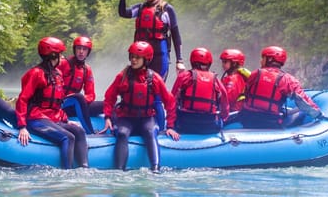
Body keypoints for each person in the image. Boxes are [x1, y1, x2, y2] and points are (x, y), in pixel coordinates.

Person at [101, 41, 179, 173]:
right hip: (126, 118)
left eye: (137, 57)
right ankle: (119, 171)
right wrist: (107, 117)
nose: (133, 60)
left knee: (150, 132)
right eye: (132, 56)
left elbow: (170, 102)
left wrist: (170, 126)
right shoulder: (122, 76)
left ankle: (155, 169)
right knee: (122, 134)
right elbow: (109, 97)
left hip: (146, 119)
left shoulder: (154, 78)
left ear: (146, 60)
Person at [16, 37, 89, 169]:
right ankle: (67, 172)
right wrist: (22, 126)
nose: (62, 58)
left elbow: (57, 104)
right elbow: (23, 99)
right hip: (36, 119)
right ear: (53, 56)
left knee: (79, 131)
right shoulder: (36, 73)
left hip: (52, 119)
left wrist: (66, 120)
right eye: (60, 55)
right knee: (68, 137)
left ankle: (84, 168)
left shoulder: (57, 74)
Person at [118, 0, 185, 79]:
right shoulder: (140, 8)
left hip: (160, 56)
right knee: (139, 86)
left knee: (156, 85)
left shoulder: (167, 9)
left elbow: (176, 36)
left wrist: (179, 60)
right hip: (141, 57)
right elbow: (123, 13)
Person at [238, 46, 322, 129]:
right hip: (270, 122)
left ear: (270, 59)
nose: (261, 61)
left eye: (263, 58)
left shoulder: (255, 74)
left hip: (247, 119)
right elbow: (303, 100)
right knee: (300, 114)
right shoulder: (288, 79)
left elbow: (246, 93)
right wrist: (318, 114)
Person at [170, 47, 230, 134]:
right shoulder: (215, 80)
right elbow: (224, 103)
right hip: (209, 125)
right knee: (220, 121)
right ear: (209, 63)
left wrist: (170, 125)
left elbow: (171, 100)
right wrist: (223, 117)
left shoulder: (184, 76)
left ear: (192, 62)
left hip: (186, 123)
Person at [57, 35, 102, 134]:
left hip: (75, 105)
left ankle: (114, 130)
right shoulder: (63, 64)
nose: (81, 52)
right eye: (79, 48)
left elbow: (91, 94)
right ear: (74, 50)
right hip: (59, 104)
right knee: (78, 97)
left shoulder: (87, 69)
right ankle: (90, 132)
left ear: (88, 52)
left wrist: (83, 102)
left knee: (106, 105)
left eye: (84, 49)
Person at [219, 49, 248, 118]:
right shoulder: (236, 77)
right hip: (234, 114)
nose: (222, 65)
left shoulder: (234, 79)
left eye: (225, 62)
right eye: (222, 62)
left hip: (232, 115)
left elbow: (227, 99)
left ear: (234, 63)